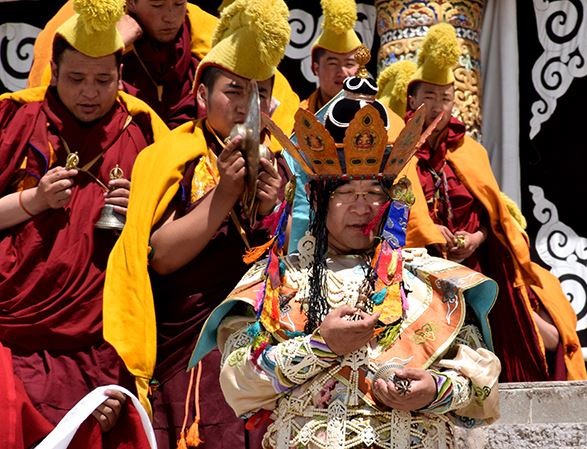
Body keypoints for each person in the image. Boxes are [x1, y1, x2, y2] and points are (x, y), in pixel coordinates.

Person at [188, 57, 501, 449]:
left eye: (373, 194)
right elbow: (238, 379)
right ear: (317, 203)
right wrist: (321, 346)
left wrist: (434, 390)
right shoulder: (277, 281)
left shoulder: (431, 282)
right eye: (347, 194)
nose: (362, 208)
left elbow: (482, 384)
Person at [104, 0, 291, 447]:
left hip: (268, 346)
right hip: (193, 347)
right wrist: (224, 194)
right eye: (235, 91)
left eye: (260, 94)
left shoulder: (288, 166)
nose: (249, 106)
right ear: (203, 96)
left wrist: (275, 213)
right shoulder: (171, 157)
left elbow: (305, 262)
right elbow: (161, 257)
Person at [377, 23, 586, 382]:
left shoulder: (469, 151)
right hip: (420, 268)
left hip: (473, 264)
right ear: (412, 99)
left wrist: (477, 238)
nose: (439, 105)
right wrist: (430, 234)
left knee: (483, 342)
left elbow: (492, 215)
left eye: (446, 96)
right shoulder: (399, 148)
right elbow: (396, 211)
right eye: (430, 95)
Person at [0, 0, 167, 440]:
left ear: (121, 77)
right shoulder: (14, 119)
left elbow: (163, 250)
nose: (90, 93)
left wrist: (139, 214)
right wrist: (33, 200)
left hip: (95, 340)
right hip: (12, 330)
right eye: (75, 79)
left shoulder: (143, 133)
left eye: (103, 80)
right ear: (52, 70)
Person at [27, 0, 300, 136]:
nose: (170, 17)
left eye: (177, 4)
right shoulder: (92, 23)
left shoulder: (204, 35)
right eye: (157, 5)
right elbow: (52, 94)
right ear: (130, 2)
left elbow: (278, 103)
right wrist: (110, 48)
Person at [299, 0, 362, 113]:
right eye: (333, 63)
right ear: (316, 68)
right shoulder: (297, 116)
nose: (342, 72)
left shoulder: (382, 116)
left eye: (349, 64)